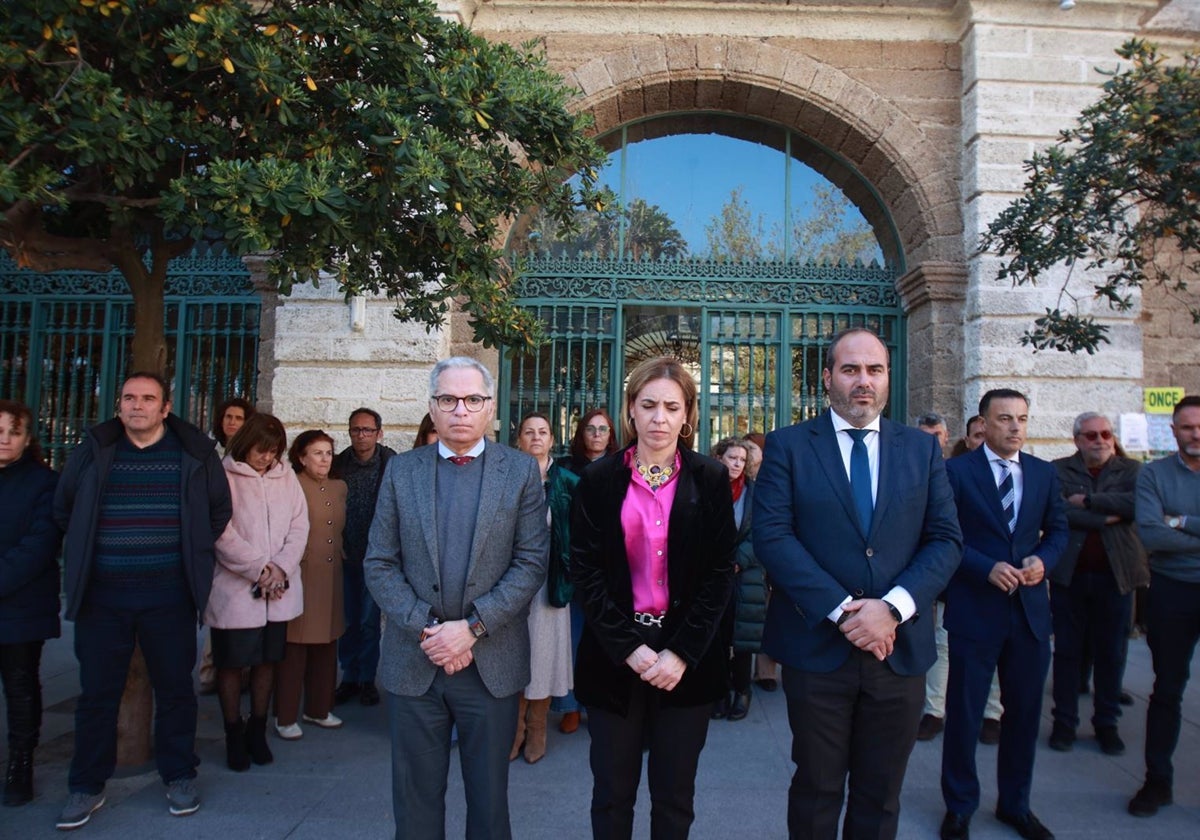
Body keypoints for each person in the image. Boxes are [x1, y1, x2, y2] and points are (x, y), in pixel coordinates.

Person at [753, 328, 961, 840]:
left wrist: (890, 609)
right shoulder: (788, 446)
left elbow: (946, 540)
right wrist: (846, 610)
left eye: (874, 370)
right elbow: (772, 538)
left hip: (898, 652)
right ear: (828, 379)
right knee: (817, 791)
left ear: (888, 378)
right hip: (817, 649)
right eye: (850, 370)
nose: (863, 382)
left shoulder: (921, 450)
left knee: (880, 794)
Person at [364, 356, 548, 839]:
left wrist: (470, 630)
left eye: (472, 400)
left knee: (489, 805)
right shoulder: (402, 471)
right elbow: (379, 562)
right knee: (415, 803)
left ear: (490, 409)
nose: (460, 410)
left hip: (490, 665)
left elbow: (530, 563)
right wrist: (429, 630)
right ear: (432, 406)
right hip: (414, 660)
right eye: (448, 399)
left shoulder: (521, 472)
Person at [53, 372, 232, 829]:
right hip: (103, 598)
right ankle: (87, 785)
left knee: (175, 690)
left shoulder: (193, 454)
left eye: (147, 398)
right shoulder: (93, 451)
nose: (137, 406)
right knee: (96, 694)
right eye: (129, 397)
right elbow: (65, 507)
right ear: (119, 405)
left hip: (169, 596)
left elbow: (218, 510)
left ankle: (178, 775)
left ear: (165, 408)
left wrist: (189, 551)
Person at [571, 355, 735, 839]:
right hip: (614, 655)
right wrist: (629, 648)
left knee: (674, 800)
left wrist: (681, 652)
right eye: (648, 405)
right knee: (612, 797)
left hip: (688, 660)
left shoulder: (710, 479)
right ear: (631, 411)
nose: (659, 418)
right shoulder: (599, 481)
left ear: (688, 415)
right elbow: (586, 571)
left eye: (671, 406)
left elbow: (719, 572)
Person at [940, 389, 1068, 840]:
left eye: (1022, 419)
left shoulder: (1042, 474)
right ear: (985, 423)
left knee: (1025, 714)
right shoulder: (956, 472)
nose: (1015, 427)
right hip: (976, 611)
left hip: (1030, 614)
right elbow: (945, 536)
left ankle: (1015, 804)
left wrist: (1043, 561)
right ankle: (959, 805)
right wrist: (984, 568)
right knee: (965, 712)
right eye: (1005, 418)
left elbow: (1057, 530)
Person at [206, 414, 308, 771]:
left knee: (268, 661)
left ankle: (257, 729)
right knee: (232, 665)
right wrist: (258, 569)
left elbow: (299, 524)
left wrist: (280, 568)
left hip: (278, 588)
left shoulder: (286, 477)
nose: (267, 458)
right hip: (236, 590)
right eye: (260, 450)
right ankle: (233, 732)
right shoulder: (223, 475)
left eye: (273, 451)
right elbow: (220, 530)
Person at [1049, 412, 1147, 756]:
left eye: (1105, 433)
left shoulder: (1132, 471)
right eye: (1091, 435)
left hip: (1116, 577)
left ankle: (1107, 723)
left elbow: (1138, 505)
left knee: (1112, 653)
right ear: (1077, 440)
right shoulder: (1059, 470)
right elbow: (1057, 511)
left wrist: (1089, 502)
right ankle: (1064, 722)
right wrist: (1109, 516)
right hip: (1069, 577)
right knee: (1066, 653)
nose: (1100, 440)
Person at [1128, 394, 1200, 817]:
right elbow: (1152, 535)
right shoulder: (1154, 475)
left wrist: (1185, 522)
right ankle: (1157, 782)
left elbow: (1168, 529)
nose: (1196, 434)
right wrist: (1169, 527)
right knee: (1167, 689)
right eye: (1188, 427)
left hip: (1178, 573)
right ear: (1173, 431)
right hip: (1173, 591)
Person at [918, 411, 1004, 746]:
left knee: (993, 646)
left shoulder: (1016, 473)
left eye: (987, 434)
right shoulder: (952, 473)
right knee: (943, 642)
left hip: (997, 574)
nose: (983, 441)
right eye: (977, 436)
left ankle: (992, 713)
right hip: (955, 570)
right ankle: (934, 710)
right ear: (966, 440)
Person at [0, 401, 61, 806]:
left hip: (21, 603)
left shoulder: (44, 482)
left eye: (14, 432)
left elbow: (38, 546)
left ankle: (21, 764)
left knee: (20, 687)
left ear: (27, 438)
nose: (5, 439)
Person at [274, 430, 348, 740]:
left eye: (328, 453)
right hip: (300, 575)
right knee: (295, 648)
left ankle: (319, 708)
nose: (324, 459)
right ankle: (286, 715)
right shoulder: (290, 485)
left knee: (327, 645)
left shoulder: (339, 487)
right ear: (301, 457)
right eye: (317, 453)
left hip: (330, 576)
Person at [549, 407, 618, 734]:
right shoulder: (564, 467)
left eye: (603, 429)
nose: (596, 435)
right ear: (581, 433)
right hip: (573, 562)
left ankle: (600, 704)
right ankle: (571, 706)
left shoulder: (623, 467)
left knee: (607, 638)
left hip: (611, 565)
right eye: (590, 428)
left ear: (611, 434)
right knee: (574, 638)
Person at [508, 413, 572, 764]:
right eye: (528, 432)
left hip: (551, 580)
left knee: (545, 652)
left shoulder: (567, 481)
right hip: (512, 578)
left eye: (542, 432)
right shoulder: (505, 476)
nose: (535, 437)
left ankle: (537, 728)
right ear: (519, 439)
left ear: (552, 439)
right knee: (515, 650)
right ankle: (514, 730)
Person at [332, 407, 396, 707]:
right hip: (346, 555)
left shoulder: (391, 464)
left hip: (377, 559)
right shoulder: (338, 464)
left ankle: (367, 678)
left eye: (367, 430)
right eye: (356, 429)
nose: (361, 435)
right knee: (347, 619)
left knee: (370, 621)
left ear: (379, 433)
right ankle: (349, 676)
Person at [710, 437, 764, 723]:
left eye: (742, 460)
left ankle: (742, 691)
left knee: (742, 637)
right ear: (719, 458)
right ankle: (718, 692)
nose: (737, 464)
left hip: (746, 575)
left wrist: (737, 561)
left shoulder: (756, 493)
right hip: (714, 574)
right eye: (732, 458)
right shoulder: (706, 489)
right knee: (715, 636)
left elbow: (762, 534)